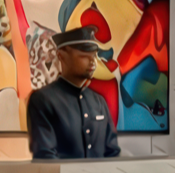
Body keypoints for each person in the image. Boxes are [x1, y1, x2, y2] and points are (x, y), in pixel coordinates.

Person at [26, 25, 120, 160]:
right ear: (61, 56)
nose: (93, 62)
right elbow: (45, 156)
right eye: (84, 56)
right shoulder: (43, 100)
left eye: (94, 56)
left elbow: (112, 152)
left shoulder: (99, 102)